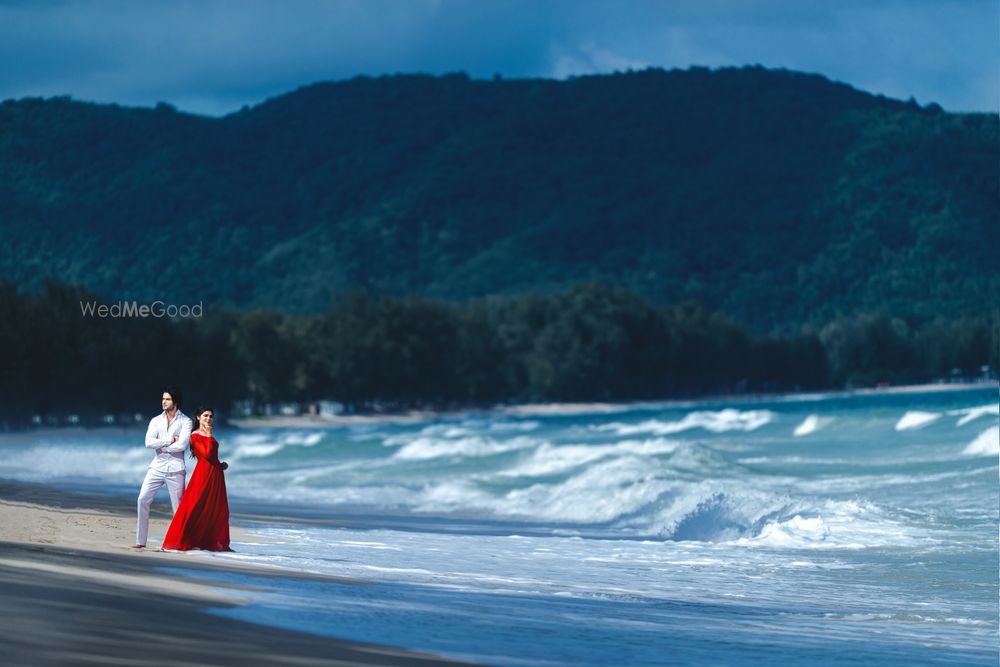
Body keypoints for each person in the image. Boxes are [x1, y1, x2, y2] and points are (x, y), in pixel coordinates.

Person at [162, 406, 231, 551]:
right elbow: (206, 454)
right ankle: (182, 540)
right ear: (198, 417)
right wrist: (209, 435)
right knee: (195, 507)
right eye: (205, 415)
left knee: (218, 510)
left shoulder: (207, 434)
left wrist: (221, 464)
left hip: (216, 475)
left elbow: (212, 457)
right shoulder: (194, 435)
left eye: (211, 416)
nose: (209, 418)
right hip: (203, 476)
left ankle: (213, 542)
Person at [134, 387, 192, 549]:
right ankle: (140, 541)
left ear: (175, 401)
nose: (163, 402)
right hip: (157, 467)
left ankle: (181, 542)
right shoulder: (155, 420)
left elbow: (182, 445)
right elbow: (148, 442)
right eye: (163, 399)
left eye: (167, 399)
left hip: (176, 469)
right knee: (142, 499)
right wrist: (168, 441)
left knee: (178, 508)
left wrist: (163, 445)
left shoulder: (185, 421)